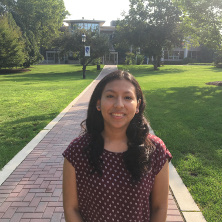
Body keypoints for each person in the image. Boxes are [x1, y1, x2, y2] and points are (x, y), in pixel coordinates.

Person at [62, 70, 172, 222]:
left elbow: (159, 207)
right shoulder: (77, 151)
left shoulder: (155, 149)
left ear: (137, 105)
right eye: (110, 96)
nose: (119, 104)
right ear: (98, 103)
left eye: (127, 97)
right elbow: (71, 209)